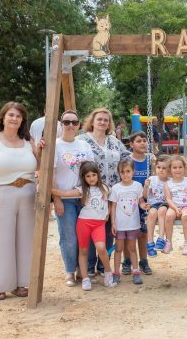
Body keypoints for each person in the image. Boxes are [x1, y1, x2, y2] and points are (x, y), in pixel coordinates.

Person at [0, 102, 41, 300]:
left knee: (26, 240)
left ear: (23, 120)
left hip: (28, 194)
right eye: (11, 115)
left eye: (18, 116)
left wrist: (40, 150)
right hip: (0, 194)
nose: (14, 119)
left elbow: (39, 165)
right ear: (3, 117)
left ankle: (22, 284)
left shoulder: (28, 141)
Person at [78, 108, 130, 278]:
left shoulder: (114, 141)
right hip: (90, 193)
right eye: (99, 119)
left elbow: (127, 157)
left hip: (111, 192)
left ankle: (103, 264)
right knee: (90, 227)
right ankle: (89, 265)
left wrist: (145, 155)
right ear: (92, 121)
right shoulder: (82, 140)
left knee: (107, 231)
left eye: (106, 120)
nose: (102, 122)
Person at [52, 161, 117, 290]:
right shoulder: (82, 190)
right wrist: (48, 189)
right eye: (88, 176)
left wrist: (108, 213)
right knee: (83, 250)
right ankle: (85, 278)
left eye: (93, 175)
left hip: (99, 224)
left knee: (101, 248)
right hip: (84, 223)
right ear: (84, 178)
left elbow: (112, 202)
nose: (91, 178)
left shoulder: (106, 188)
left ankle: (108, 273)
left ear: (98, 175)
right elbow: (65, 194)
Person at [51, 110, 94, 287]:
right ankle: (70, 270)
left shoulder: (84, 145)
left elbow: (91, 170)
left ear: (79, 125)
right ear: (61, 124)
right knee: (69, 236)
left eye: (74, 122)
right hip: (64, 198)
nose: (70, 125)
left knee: (85, 235)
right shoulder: (55, 145)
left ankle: (82, 270)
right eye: (66, 122)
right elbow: (51, 174)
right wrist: (56, 199)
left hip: (83, 198)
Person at [109, 160, 148, 285]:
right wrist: (113, 223)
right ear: (119, 173)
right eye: (122, 172)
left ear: (133, 172)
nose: (125, 174)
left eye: (128, 171)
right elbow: (113, 207)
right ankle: (116, 273)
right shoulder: (116, 188)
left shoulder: (137, 186)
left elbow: (140, 201)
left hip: (133, 224)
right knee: (118, 249)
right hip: (119, 225)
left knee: (132, 248)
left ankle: (136, 272)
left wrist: (144, 205)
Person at [123, 131, 153, 275]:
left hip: (144, 201)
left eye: (144, 141)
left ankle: (143, 261)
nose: (142, 143)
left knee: (143, 233)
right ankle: (127, 261)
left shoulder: (150, 160)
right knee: (128, 233)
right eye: (139, 141)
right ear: (131, 144)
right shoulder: (127, 160)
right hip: (129, 201)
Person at [163, 155, 187, 255]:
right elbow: (168, 199)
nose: (178, 170)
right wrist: (175, 208)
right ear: (170, 169)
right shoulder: (168, 183)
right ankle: (168, 242)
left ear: (184, 168)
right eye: (174, 167)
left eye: (180, 167)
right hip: (174, 206)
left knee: (185, 217)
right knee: (168, 216)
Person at [144, 155, 170, 257]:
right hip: (153, 204)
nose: (161, 170)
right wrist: (146, 186)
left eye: (164, 168)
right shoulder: (152, 179)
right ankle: (150, 241)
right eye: (159, 167)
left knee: (162, 210)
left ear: (169, 170)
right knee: (152, 213)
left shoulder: (170, 181)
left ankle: (161, 238)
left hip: (165, 204)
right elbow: (145, 196)